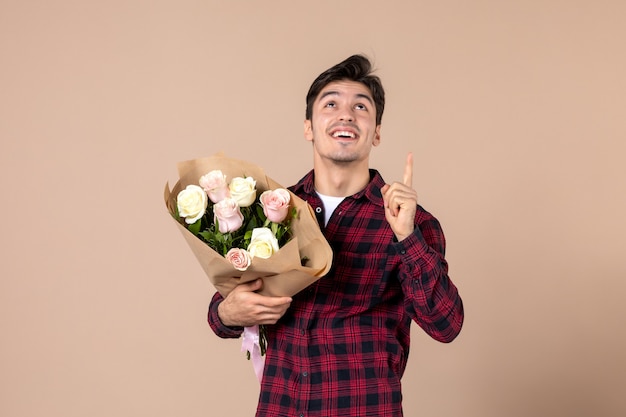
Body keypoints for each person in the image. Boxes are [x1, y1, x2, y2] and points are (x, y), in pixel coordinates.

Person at [208, 54, 464, 416]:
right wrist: (228, 313)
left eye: (361, 107)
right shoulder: (271, 210)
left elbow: (446, 325)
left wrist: (407, 238)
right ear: (309, 127)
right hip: (281, 407)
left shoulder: (411, 222)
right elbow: (222, 313)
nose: (345, 115)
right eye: (331, 104)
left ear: (376, 132)